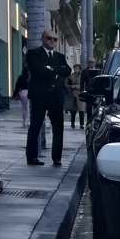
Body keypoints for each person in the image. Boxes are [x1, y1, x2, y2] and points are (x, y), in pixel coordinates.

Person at [26, 29, 70, 167]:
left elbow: (67, 70)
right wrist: (56, 71)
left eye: (55, 39)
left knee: (58, 128)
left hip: (56, 96)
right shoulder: (33, 54)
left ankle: (57, 157)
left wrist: (52, 69)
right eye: (49, 38)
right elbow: (37, 70)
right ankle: (32, 157)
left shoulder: (60, 56)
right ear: (43, 39)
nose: (52, 41)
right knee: (35, 126)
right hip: (40, 95)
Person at [79, 58, 100, 125]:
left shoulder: (99, 70)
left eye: (92, 62)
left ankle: (96, 122)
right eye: (89, 62)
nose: (90, 63)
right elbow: (82, 82)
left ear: (95, 63)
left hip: (97, 92)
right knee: (89, 108)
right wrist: (82, 92)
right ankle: (89, 122)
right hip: (89, 92)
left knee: (97, 108)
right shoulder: (85, 71)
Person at [67, 64, 82, 129]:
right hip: (72, 94)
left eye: (77, 68)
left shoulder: (81, 76)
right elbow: (67, 83)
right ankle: (72, 123)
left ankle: (82, 124)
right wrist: (70, 87)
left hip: (80, 94)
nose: (76, 69)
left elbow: (83, 84)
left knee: (81, 110)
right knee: (73, 110)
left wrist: (75, 86)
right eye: (75, 68)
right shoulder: (71, 76)